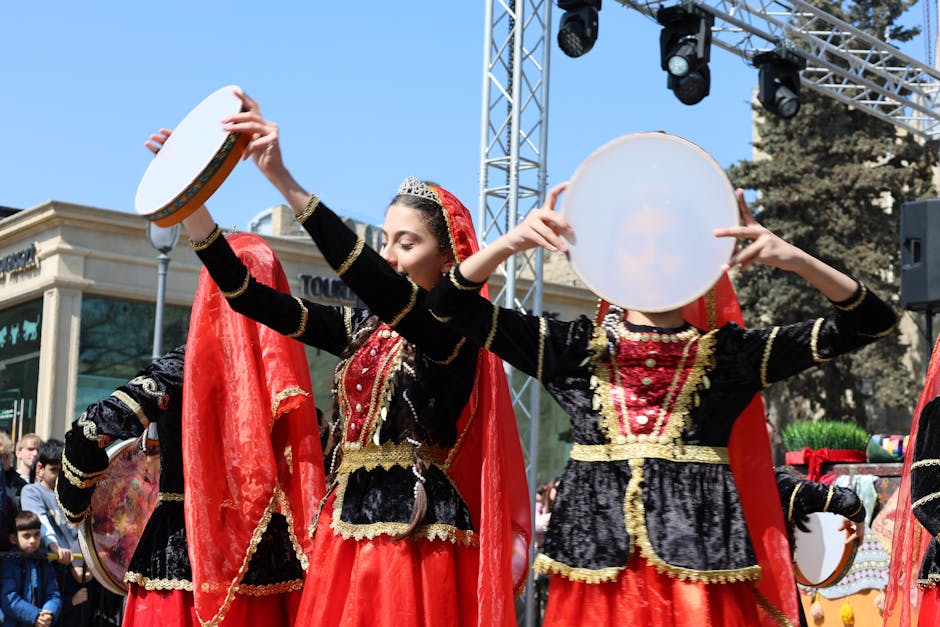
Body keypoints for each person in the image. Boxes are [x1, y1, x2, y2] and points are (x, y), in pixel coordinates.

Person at [425, 182, 897, 626]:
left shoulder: (733, 356)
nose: (651, 259)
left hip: (699, 579)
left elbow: (871, 322)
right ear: (609, 259)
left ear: (700, 262)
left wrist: (796, 260)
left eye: (670, 246)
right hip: (594, 579)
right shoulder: (571, 349)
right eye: (634, 245)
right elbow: (446, 306)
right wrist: (510, 244)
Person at [147, 91, 531, 627]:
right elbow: (247, 296)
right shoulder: (362, 329)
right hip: (345, 529)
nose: (392, 257)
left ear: (448, 258)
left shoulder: (454, 331)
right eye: (387, 240)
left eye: (408, 243)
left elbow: (370, 279)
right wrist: (190, 201)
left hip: (413, 539)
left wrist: (284, 181)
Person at [56, 234, 324, 627]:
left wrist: (77, 504)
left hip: (183, 563)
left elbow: (90, 431)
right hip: (268, 569)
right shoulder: (289, 385)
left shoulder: (182, 368)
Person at [0, 511, 61, 627]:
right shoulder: (9, 562)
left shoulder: (44, 561)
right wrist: (35, 616)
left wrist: (49, 613)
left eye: (37, 534)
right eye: (26, 536)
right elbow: (8, 599)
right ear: (13, 539)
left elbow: (53, 594)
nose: (32, 540)